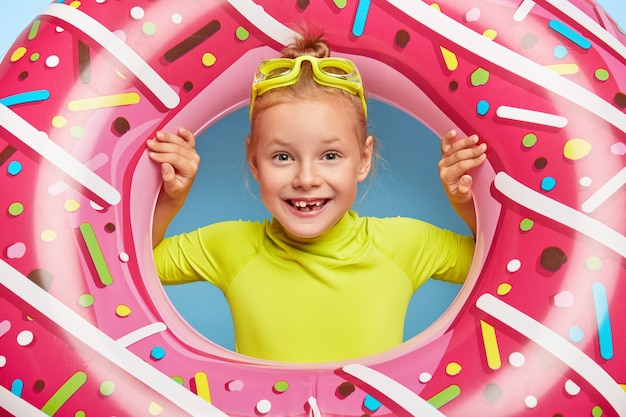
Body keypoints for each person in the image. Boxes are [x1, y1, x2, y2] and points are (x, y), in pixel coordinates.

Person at [147, 34, 487, 363]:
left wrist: (466, 204)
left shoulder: (407, 244)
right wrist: (169, 201)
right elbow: (133, 266)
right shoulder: (228, 247)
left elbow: (494, 266)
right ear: (253, 161)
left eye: (330, 156)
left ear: (364, 159)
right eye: (282, 157)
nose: (306, 179)